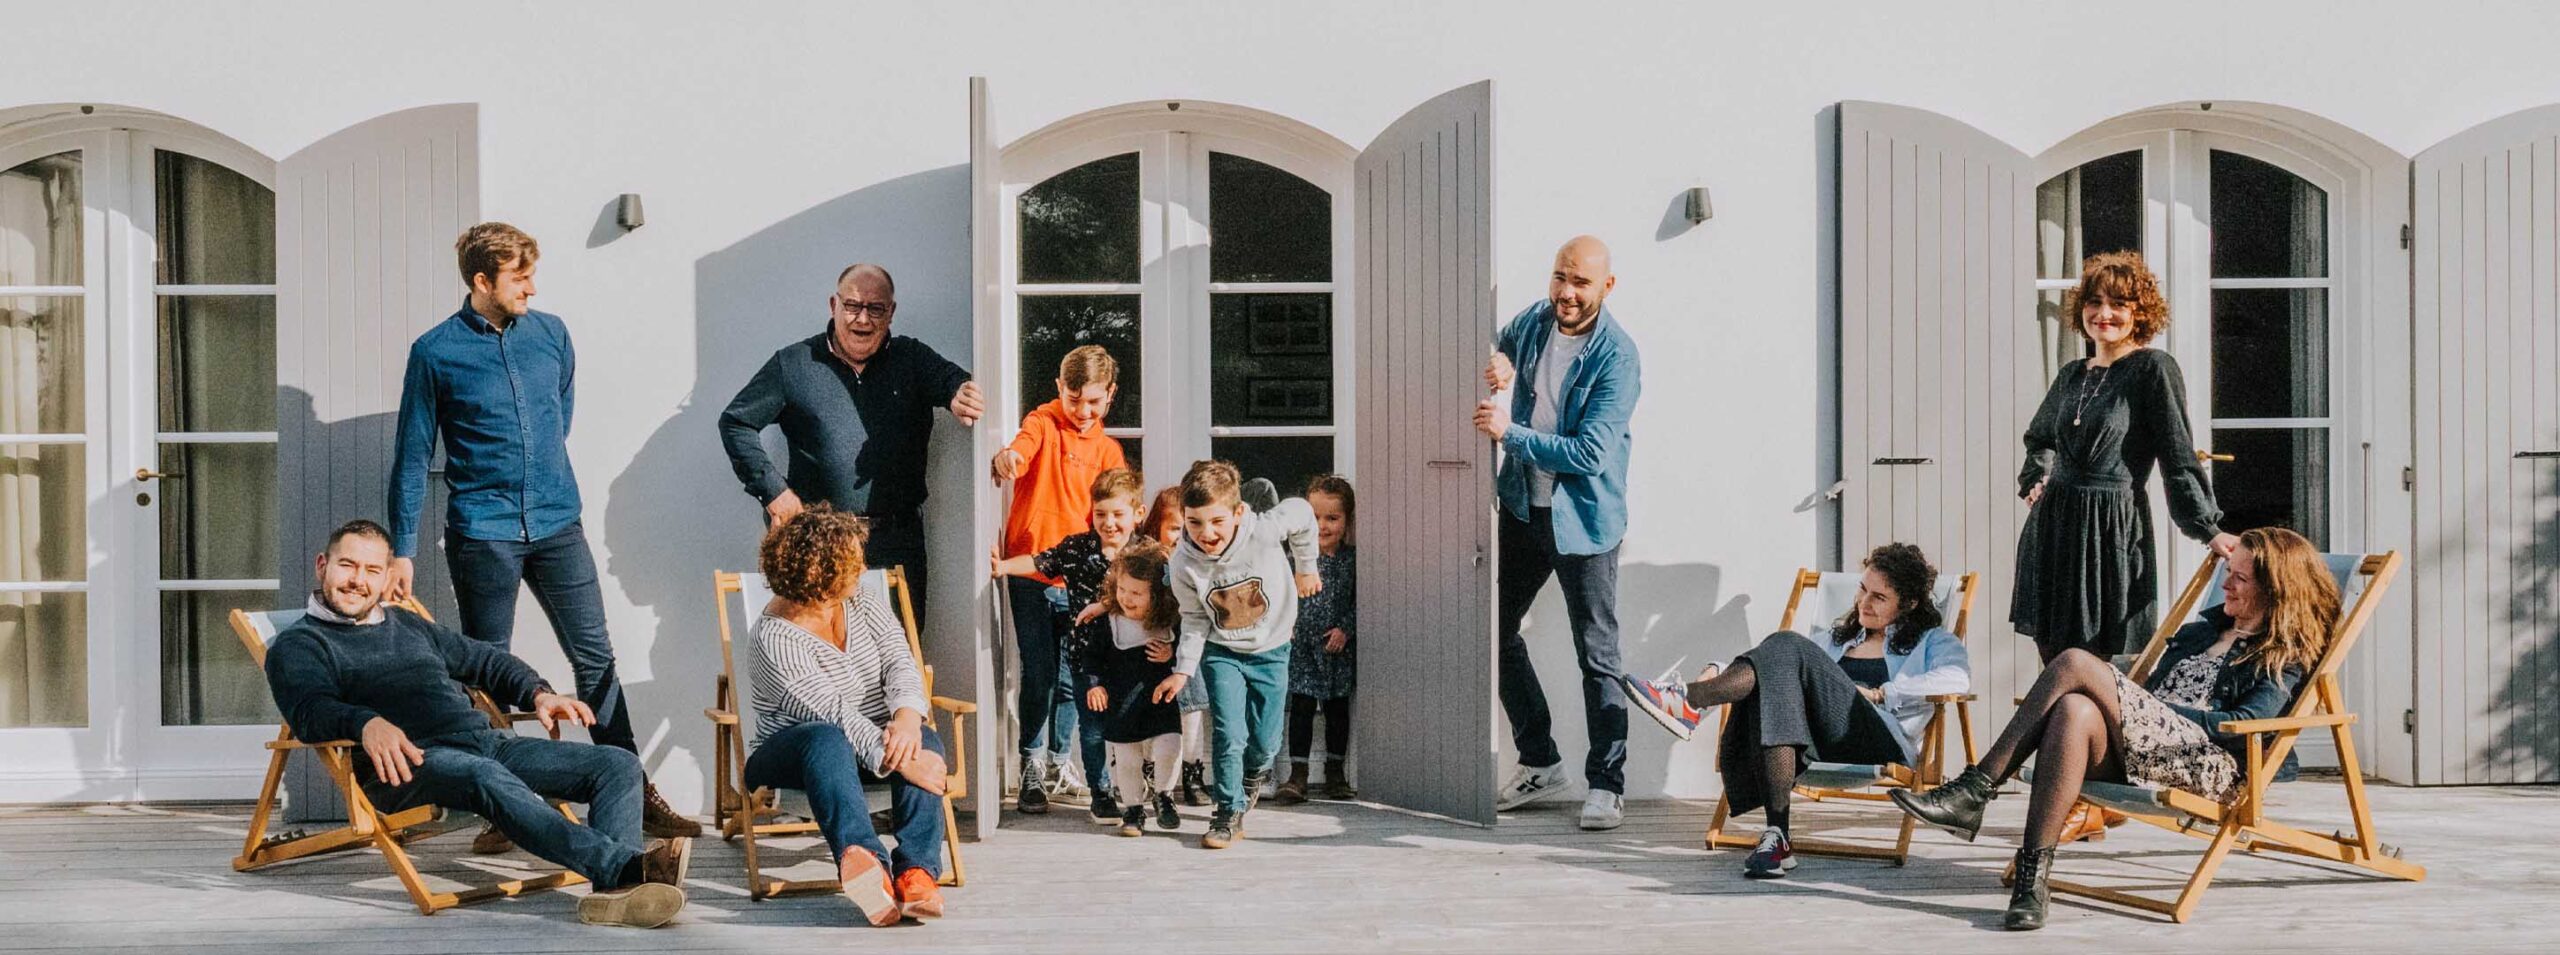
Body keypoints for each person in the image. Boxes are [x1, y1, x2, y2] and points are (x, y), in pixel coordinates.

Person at [386, 222, 698, 847]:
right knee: (487, 671)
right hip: (482, 531)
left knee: (595, 659)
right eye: (519, 276)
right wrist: (401, 549)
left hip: (558, 523)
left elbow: (560, 413)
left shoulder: (553, 335)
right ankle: (505, 805)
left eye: (532, 273)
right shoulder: (435, 351)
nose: (532, 286)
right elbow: (413, 455)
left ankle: (634, 795)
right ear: (482, 281)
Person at [1891, 527, 2335, 931]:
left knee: (2073, 661)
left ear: (2274, 588)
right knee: (2073, 709)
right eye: (2228, 572)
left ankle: (1974, 790)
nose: (2226, 584)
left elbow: (2241, 725)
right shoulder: (2201, 633)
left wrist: (2160, 710)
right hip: (2148, 747)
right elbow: (2147, 695)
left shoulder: (2284, 654)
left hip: (2203, 763)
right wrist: (2141, 704)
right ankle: (2031, 882)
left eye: (2240, 577)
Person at [264, 520, 690, 928]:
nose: (358, 579)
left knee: (616, 764)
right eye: (347, 565)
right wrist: (365, 722)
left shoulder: (407, 624)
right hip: (410, 763)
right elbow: (308, 711)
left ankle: (618, 895)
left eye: (372, 570)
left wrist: (538, 693)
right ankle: (625, 868)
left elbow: (483, 659)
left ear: (386, 576)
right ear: (323, 565)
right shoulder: (300, 644)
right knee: (483, 774)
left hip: (484, 742)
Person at [1620, 543, 1969, 879]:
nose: (1863, 602)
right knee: (1780, 677)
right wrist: (1718, 668)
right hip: (1821, 736)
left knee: (1786, 643)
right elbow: (1775, 667)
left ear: (1907, 604)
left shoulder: (1933, 642)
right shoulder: (1839, 639)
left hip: (1876, 739)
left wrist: (1882, 693)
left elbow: (1956, 679)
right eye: (1862, 590)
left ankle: (1689, 701)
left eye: (1878, 597)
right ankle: (1777, 837)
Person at [1476, 235, 1644, 830]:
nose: (1566, 293)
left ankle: (1608, 784)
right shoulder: (1536, 320)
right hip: (1525, 508)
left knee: (1597, 655)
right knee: (1490, 633)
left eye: (1580, 283)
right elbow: (1500, 343)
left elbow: (1591, 452)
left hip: (1585, 521)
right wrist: (1500, 359)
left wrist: (1510, 433)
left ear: (1606, 287)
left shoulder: (1616, 357)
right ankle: (1541, 761)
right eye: (1560, 277)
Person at [718, 263, 985, 615]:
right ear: (834, 305)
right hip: (819, 541)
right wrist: (775, 494)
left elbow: (953, 381)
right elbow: (736, 422)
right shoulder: (794, 364)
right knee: (816, 652)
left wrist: (960, 393)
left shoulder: (912, 358)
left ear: (891, 312)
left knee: (899, 655)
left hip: (895, 542)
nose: (862, 320)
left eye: (875, 309)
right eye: (853, 306)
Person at [2013, 251, 2239, 665]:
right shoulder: (2071, 374)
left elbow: (2177, 453)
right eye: (2095, 302)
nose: (2104, 314)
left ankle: (2093, 732)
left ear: (2141, 312)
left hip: (2110, 531)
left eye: (2119, 304)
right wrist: (2036, 479)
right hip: (2054, 530)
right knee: (2055, 661)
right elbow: (2040, 439)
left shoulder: (2153, 369)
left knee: (2098, 665)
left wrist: (2207, 527)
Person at [742, 506, 951, 926]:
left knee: (924, 737)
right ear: (822, 576)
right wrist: (903, 760)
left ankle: (915, 873)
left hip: (873, 742)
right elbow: (832, 711)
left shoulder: (861, 601)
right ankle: (864, 861)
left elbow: (899, 661)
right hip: (794, 754)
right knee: (825, 737)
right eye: (854, 561)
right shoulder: (774, 637)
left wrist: (908, 720)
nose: (863, 568)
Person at [992, 345, 1129, 813]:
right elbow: (1020, 450)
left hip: (1081, 578)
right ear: (1059, 389)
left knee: (1074, 677)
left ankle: (1057, 761)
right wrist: (1008, 457)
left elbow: (1114, 515)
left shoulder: (1109, 450)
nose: (1084, 410)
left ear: (1110, 395)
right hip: (1031, 569)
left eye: (1094, 401)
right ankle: (1030, 762)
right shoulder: (1043, 423)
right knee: (1041, 673)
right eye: (1075, 399)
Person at [1168, 459, 1322, 849]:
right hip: (1223, 651)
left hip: (1272, 648)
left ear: (1238, 513)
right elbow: (1193, 618)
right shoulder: (1183, 562)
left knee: (1266, 742)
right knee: (1228, 733)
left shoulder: (1265, 531)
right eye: (1195, 522)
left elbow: (1303, 512)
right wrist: (1184, 669)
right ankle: (1226, 813)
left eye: (1217, 521)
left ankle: (1254, 774)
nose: (1207, 532)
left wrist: (1306, 567)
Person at [994, 467, 1144, 824]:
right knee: (1091, 730)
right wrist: (1003, 566)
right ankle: (1101, 792)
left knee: (1136, 726)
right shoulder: (1079, 548)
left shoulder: (1146, 554)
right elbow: (1041, 561)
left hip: (1136, 658)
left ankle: (1138, 789)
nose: (1108, 523)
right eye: (1101, 514)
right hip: (1088, 660)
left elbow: (1163, 597)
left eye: (1117, 514)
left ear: (1137, 514)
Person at [1081, 542, 1198, 837]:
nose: (1127, 598)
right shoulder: (1110, 624)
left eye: (1136, 593)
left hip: (1160, 701)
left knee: (1170, 745)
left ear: (1157, 596)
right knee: (1128, 759)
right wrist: (1095, 687)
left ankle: (1164, 795)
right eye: (1122, 590)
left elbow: (1190, 643)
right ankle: (1133, 810)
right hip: (1122, 704)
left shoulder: (1169, 622)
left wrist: (1171, 653)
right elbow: (1092, 659)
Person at [1274, 474, 1359, 804]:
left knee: (1337, 710)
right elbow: (1279, 593)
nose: (1322, 526)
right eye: (1315, 518)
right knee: (1302, 709)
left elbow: (1361, 601)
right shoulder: (1293, 557)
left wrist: (1346, 629)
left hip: (1336, 648)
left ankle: (1336, 772)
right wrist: (1284, 624)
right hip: (1301, 647)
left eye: (1332, 518)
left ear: (1347, 521)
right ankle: (1298, 775)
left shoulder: (1351, 560)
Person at [1140, 483, 1215, 806]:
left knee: (1192, 712)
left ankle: (1193, 772)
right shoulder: (1149, 563)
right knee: (1151, 714)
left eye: (1187, 527)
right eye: (1173, 528)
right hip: (1154, 649)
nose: (1180, 535)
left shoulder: (1200, 563)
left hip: (1188, 652)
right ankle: (1150, 772)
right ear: (1157, 526)